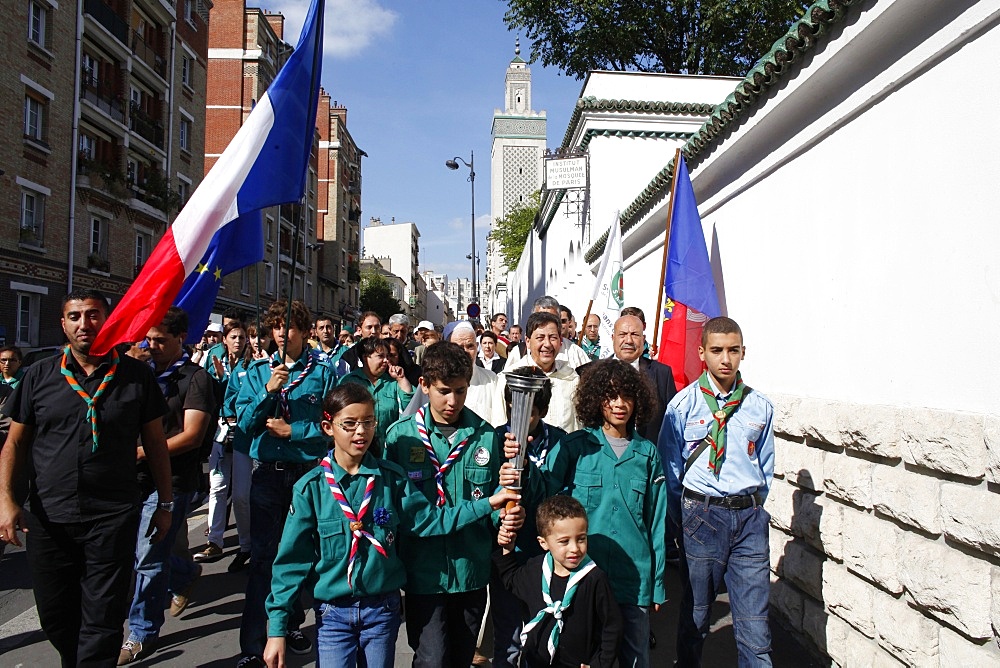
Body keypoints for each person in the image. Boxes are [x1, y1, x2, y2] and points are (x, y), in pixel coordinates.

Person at [261, 383, 521, 668]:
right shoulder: (310, 489)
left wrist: (489, 503)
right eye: (349, 424)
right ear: (328, 426)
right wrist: (277, 629)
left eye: (368, 422)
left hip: (381, 612)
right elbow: (291, 563)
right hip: (333, 613)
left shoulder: (392, 480)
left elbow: (431, 520)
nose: (361, 432)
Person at [0, 289, 172, 666]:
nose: (84, 324)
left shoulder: (136, 377)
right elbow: (14, 443)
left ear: (107, 320)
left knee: (104, 616)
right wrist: (7, 502)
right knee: (57, 615)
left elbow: (156, 443)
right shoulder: (40, 375)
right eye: (75, 317)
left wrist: (165, 503)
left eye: (93, 315)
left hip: (112, 515)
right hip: (49, 517)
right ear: (62, 324)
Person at [383, 341, 523, 668]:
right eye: (444, 391)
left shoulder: (486, 437)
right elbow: (405, 514)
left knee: (461, 657)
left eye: (460, 391)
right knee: (431, 658)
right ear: (424, 385)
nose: (452, 401)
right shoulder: (401, 438)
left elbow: (496, 502)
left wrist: (507, 520)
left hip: (471, 569)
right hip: (424, 572)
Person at [534, 359, 667, 667]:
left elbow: (657, 523)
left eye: (627, 396)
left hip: (633, 580)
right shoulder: (575, 447)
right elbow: (546, 501)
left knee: (635, 658)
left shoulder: (648, 455)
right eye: (610, 396)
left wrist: (657, 584)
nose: (620, 404)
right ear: (596, 399)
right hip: (584, 577)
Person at [658, 317, 775, 667]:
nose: (726, 359)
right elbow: (671, 470)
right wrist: (685, 519)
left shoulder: (760, 407)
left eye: (733, 350)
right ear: (702, 353)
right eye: (717, 350)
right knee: (696, 614)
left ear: (743, 353)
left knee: (756, 629)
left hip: (749, 520)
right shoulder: (682, 406)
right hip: (702, 516)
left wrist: (750, 506)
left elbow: (765, 468)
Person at [235, 300, 340, 667]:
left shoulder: (323, 373)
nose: (282, 333)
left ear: (305, 331)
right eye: (277, 327)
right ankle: (252, 643)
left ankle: (293, 623)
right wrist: (267, 390)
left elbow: (333, 428)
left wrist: (293, 430)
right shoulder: (256, 372)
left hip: (306, 474)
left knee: (303, 556)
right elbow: (244, 425)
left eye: (290, 327)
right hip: (268, 475)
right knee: (264, 559)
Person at [120, 307, 217, 664]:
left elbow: (192, 435)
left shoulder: (196, 379)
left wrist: (145, 452)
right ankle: (186, 572)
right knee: (140, 551)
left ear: (181, 339)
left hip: (174, 480)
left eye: (161, 340)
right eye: (149, 339)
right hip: (135, 478)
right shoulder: (139, 375)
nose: (153, 345)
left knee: (147, 556)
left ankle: (141, 633)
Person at [490, 369, 569, 668]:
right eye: (514, 409)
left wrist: (525, 465)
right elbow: (485, 494)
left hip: (544, 558)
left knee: (542, 636)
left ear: (543, 411)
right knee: (507, 638)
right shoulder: (495, 438)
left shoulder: (560, 442)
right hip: (507, 553)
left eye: (531, 413)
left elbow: (554, 493)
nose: (521, 418)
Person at [494, 495, 623, 667]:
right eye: (564, 541)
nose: (575, 548)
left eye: (581, 539)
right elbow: (511, 580)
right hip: (535, 662)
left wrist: (600, 663)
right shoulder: (535, 569)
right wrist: (507, 548)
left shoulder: (594, 578)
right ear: (543, 543)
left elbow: (612, 626)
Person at [195, 320, 253, 564]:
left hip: (242, 434)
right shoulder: (213, 359)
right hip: (220, 432)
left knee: (241, 494)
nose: (238, 341)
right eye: (233, 337)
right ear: (225, 339)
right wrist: (218, 378)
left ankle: (246, 544)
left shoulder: (252, 364)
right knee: (217, 487)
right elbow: (205, 393)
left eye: (241, 337)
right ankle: (214, 541)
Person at [578, 315, 677, 443]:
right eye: (623, 334)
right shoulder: (591, 372)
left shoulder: (662, 373)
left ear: (643, 339)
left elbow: (672, 421)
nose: (629, 340)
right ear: (613, 338)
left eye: (635, 335)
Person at [496, 312, 581, 433]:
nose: (547, 344)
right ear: (528, 341)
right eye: (540, 338)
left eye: (553, 338)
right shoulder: (510, 379)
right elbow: (499, 424)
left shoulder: (571, 378)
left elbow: (578, 426)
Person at [338, 336, 414, 456]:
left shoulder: (393, 383)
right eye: (380, 356)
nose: (386, 361)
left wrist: (401, 379)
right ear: (365, 358)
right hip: (357, 450)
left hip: (387, 452)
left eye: (387, 356)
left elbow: (409, 405)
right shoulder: (349, 381)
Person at [505, 296, 590, 369]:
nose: (546, 323)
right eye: (540, 317)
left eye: (551, 318)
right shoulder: (519, 352)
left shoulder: (574, 353)